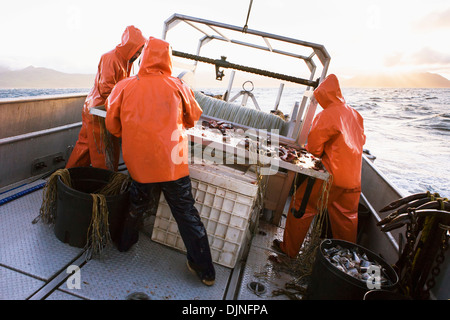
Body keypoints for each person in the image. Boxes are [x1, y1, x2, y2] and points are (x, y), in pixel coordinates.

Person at [105, 37, 216, 286]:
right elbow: (192, 118)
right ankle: (205, 270)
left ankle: (124, 244)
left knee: (137, 203)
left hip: (140, 163)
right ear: (168, 59)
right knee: (186, 213)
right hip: (172, 164)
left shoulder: (124, 86)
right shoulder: (178, 85)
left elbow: (112, 125)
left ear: (144, 57)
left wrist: (133, 134)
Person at [273, 74, 366, 258]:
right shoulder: (356, 114)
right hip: (354, 180)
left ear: (324, 95)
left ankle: (289, 251)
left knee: (302, 206)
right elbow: (361, 140)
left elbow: (314, 150)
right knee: (346, 219)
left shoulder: (327, 114)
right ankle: (346, 261)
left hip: (330, 177)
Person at [66, 26, 146, 171]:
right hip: (98, 111)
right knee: (104, 152)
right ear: (130, 46)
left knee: (84, 146)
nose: (138, 55)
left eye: (140, 52)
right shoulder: (110, 58)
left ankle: (68, 177)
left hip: (97, 108)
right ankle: (106, 186)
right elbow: (106, 89)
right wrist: (126, 105)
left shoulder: (126, 62)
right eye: (137, 51)